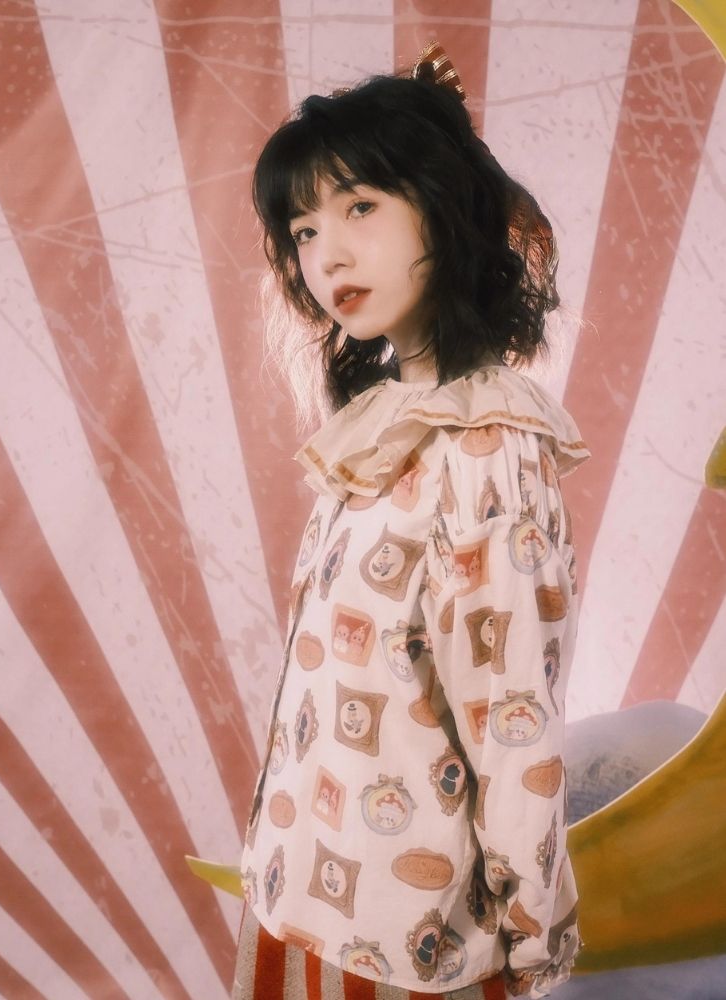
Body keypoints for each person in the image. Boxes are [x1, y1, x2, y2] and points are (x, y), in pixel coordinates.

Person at [234, 40, 591, 1000]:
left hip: (405, 943)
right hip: (297, 891)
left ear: (442, 203)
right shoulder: (387, 423)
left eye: (360, 207)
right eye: (304, 229)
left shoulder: (488, 451)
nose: (328, 255)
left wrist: (534, 939)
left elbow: (513, 723)